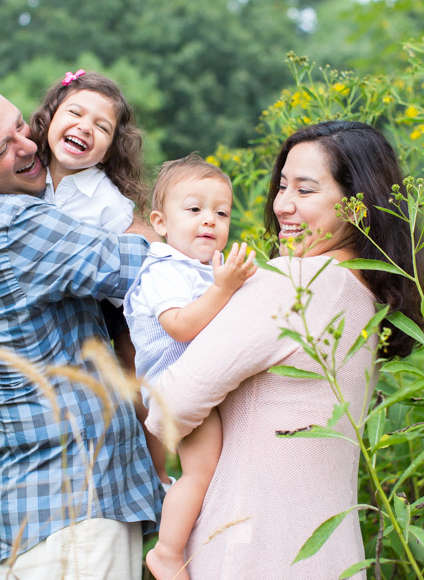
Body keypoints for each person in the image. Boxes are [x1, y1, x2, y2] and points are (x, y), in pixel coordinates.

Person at [145, 121, 424, 579]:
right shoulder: (371, 301)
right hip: (333, 556)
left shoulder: (293, 282)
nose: (283, 205)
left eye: (306, 190)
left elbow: (170, 405)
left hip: (251, 549)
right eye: (281, 186)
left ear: (358, 204)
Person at [0, 78, 163, 580]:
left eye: (21, 124)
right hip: (73, 507)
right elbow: (153, 268)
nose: (28, 146)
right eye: (3, 147)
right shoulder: (11, 224)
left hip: (53, 507)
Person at [123, 155, 257, 580]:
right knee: (199, 473)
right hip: (175, 387)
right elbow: (179, 327)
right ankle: (167, 551)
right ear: (160, 222)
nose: (210, 221)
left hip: (199, 383)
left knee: (217, 469)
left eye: (221, 213)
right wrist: (224, 289)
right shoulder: (163, 269)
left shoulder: (200, 270)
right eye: (195, 209)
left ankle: (201, 542)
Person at [30, 69, 150, 377]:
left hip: (105, 308)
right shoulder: (28, 174)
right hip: (42, 314)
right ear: (50, 118)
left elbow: (128, 276)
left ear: (108, 151)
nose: (85, 127)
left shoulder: (109, 201)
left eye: (102, 127)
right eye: (75, 113)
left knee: (133, 367)